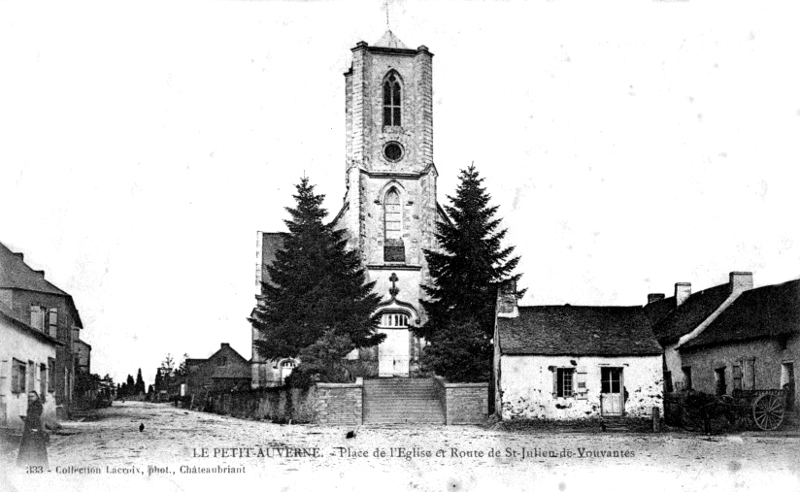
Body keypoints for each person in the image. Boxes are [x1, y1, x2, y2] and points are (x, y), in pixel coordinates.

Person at [17, 391, 49, 468]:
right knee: (31, 446)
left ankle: (35, 464)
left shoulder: (37, 405)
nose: (30, 398)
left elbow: (35, 417)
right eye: (29, 397)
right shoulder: (32, 404)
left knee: (34, 446)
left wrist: (34, 428)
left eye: (32, 396)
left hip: (34, 428)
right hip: (30, 427)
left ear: (36, 397)